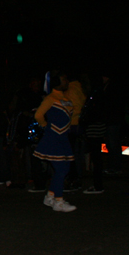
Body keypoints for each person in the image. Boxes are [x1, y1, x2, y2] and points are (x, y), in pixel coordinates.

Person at [33, 71, 77, 212]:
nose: (66, 81)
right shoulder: (51, 98)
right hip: (54, 138)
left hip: (63, 137)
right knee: (61, 169)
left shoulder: (65, 98)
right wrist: (47, 126)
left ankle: (51, 196)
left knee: (64, 169)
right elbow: (38, 115)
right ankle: (58, 201)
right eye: (64, 79)